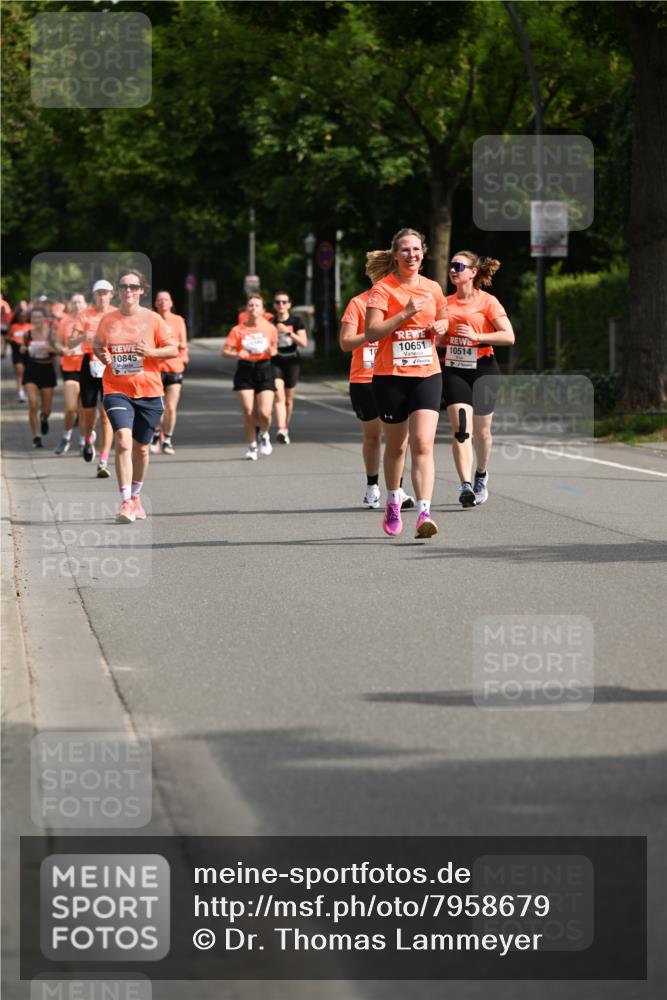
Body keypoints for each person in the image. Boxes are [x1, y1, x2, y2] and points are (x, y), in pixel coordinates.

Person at [365, 228, 448, 539]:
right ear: (395, 255)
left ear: (423, 252)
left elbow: (444, 316)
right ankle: (393, 500)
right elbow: (372, 333)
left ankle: (425, 512)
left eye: (416, 249)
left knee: (423, 443)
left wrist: (442, 325)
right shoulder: (382, 290)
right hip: (390, 378)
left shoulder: (433, 288)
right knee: (397, 446)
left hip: (427, 373)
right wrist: (404, 313)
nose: (411, 255)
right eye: (405, 250)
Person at [93, 270, 177, 523]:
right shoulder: (108, 320)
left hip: (149, 391)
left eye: (133, 286)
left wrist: (150, 351)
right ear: (118, 291)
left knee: (141, 448)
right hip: (116, 389)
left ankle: (137, 497)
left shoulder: (153, 319)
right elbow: (98, 345)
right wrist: (102, 356)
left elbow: (173, 349)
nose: (128, 290)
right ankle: (126, 501)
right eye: (123, 286)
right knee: (123, 440)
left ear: (142, 290)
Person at [439, 252, 515, 507]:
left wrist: (477, 335)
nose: (453, 270)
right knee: (461, 429)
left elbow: (508, 336)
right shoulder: (444, 303)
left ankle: (481, 475)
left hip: (484, 369)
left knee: (482, 431)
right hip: (454, 369)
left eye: (458, 266)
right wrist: (437, 336)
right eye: (451, 265)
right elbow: (438, 338)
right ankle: (465, 486)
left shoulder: (488, 302)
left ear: (472, 272)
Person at [339, 288, 416, 511]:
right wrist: (374, 333)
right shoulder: (358, 302)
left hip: (395, 376)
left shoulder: (404, 300)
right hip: (364, 379)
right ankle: (372, 487)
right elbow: (345, 343)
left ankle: (397, 490)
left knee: (399, 439)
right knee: (372, 436)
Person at [222, 293, 278, 460]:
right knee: (248, 410)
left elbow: (275, 349)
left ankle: (264, 434)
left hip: (264, 369)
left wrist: (271, 351)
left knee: (265, 413)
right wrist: (238, 353)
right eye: (251, 305)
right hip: (245, 370)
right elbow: (225, 351)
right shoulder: (237, 330)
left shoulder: (270, 328)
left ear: (262, 310)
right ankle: (252, 446)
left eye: (257, 306)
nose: (254, 308)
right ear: (246, 309)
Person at [70, 279, 115, 475]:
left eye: (106, 292)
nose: (102, 296)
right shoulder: (85, 314)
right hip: (89, 364)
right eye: (99, 293)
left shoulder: (117, 314)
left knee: (106, 416)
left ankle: (103, 461)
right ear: (94, 295)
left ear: (111, 295)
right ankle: (88, 438)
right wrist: (83, 336)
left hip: (110, 366)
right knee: (89, 416)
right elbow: (71, 342)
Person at [150, 290, 188, 455]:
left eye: (166, 299)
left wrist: (167, 346)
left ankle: (167, 440)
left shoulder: (178, 320)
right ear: (155, 303)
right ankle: (156, 434)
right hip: (155, 368)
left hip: (174, 367)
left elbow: (182, 343)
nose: (163, 302)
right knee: (157, 407)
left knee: (171, 408)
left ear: (171, 303)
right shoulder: (151, 319)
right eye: (159, 300)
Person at [270, 291, 307, 443]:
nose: (281, 305)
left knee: (288, 400)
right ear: (274, 305)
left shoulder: (296, 321)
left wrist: (288, 332)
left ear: (289, 305)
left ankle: (285, 427)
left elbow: (303, 343)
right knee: (278, 395)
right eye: (278, 302)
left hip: (292, 362)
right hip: (275, 361)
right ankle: (281, 428)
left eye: (284, 302)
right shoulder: (270, 322)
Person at [54, 293, 87, 456]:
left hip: (88, 368)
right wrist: (62, 348)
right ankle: (66, 437)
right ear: (70, 305)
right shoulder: (65, 322)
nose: (77, 305)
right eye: (74, 302)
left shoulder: (91, 320)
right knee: (70, 407)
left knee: (84, 409)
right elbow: (57, 341)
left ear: (85, 304)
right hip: (69, 368)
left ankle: (83, 440)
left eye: (80, 302)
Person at [20, 305, 58, 448]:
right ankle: (36, 436)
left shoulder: (52, 334)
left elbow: (60, 350)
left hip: (47, 370)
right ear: (31, 319)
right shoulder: (27, 334)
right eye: (34, 317)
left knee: (46, 409)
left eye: (39, 317)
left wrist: (51, 349)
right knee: (33, 403)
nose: (37, 320)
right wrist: (23, 349)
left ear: (45, 319)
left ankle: (44, 417)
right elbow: (22, 349)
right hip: (32, 369)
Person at [8, 304, 31, 402]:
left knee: (28, 373)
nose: (22, 318)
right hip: (17, 352)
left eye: (24, 316)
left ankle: (28, 391)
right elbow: (8, 337)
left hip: (29, 352)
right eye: (20, 316)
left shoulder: (30, 326)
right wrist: (15, 341)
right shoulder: (14, 326)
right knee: (19, 371)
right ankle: (20, 393)